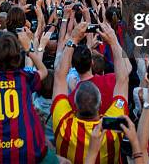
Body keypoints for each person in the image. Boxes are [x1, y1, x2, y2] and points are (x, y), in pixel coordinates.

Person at [52, 22, 130, 164]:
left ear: (73, 105)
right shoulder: (113, 127)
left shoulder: (63, 124)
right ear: (100, 104)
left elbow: (59, 76)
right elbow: (123, 78)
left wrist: (73, 39)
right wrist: (113, 41)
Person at [0, 29, 50, 163]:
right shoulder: (24, 76)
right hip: (30, 151)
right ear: (16, 54)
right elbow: (43, 71)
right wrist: (29, 50)